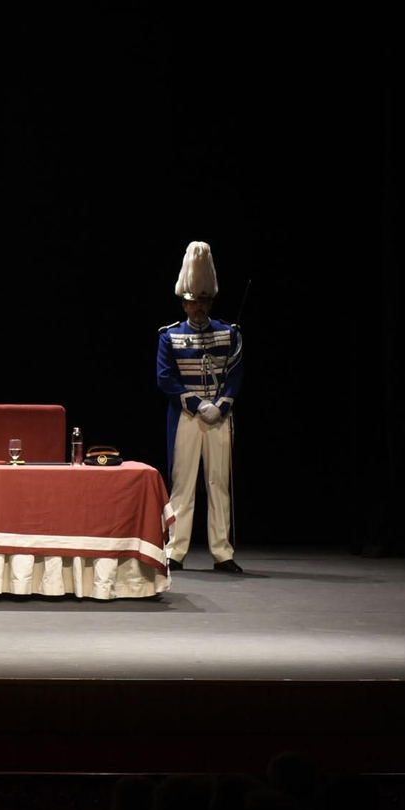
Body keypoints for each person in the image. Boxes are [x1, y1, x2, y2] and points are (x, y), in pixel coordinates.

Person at [157, 241, 244, 572]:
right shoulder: (169, 337)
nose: (198, 307)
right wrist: (197, 404)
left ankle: (222, 552)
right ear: (183, 302)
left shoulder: (230, 334)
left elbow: (235, 376)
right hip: (186, 416)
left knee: (218, 482)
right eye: (192, 301)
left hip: (219, 416)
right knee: (182, 482)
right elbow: (165, 378)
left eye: (203, 300)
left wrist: (220, 406)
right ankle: (175, 550)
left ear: (211, 300)